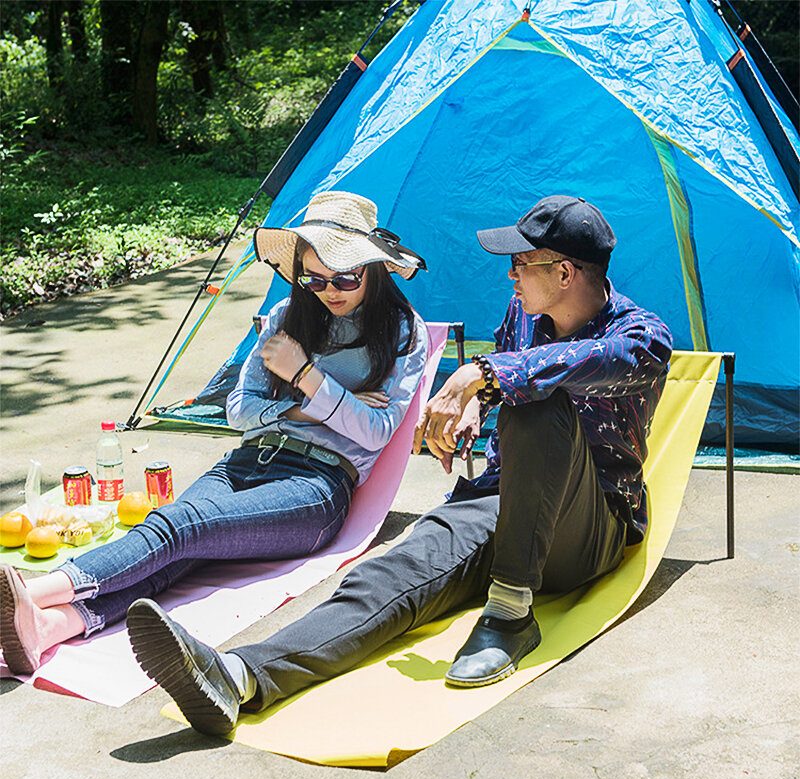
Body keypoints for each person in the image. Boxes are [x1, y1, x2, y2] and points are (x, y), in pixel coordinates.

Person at [122, 194, 673, 737]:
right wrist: (473, 409)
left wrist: (477, 377)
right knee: (386, 574)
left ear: (565, 272)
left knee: (539, 406)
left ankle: (509, 615)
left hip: (588, 530)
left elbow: (570, 369)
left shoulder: (642, 337)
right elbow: (503, 386)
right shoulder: (522, 314)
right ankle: (240, 677)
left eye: (520, 264)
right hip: (498, 503)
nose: (511, 277)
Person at [0, 191, 428, 677]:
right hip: (246, 462)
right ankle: (46, 626)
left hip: (316, 487)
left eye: (345, 277)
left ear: (373, 268)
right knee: (178, 551)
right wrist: (316, 410)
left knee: (179, 527)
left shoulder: (400, 330)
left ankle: (26, 594)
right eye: (313, 277)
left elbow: (374, 433)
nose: (329, 290)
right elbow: (239, 412)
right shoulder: (289, 315)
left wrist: (304, 373)